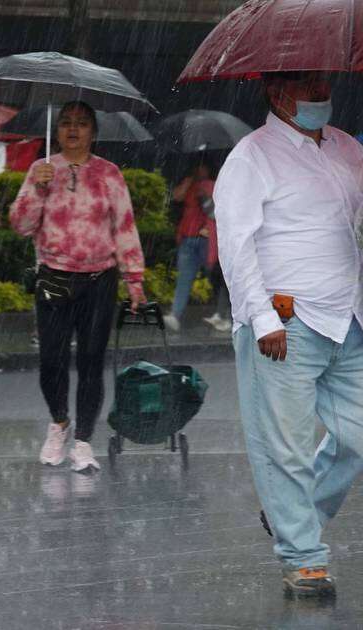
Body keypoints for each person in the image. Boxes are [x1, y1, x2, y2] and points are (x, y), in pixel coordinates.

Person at [216, 71, 363, 598]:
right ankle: (303, 556)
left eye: (325, 85)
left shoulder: (347, 147)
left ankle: (289, 514)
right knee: (286, 449)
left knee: (356, 440)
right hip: (286, 321)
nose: (322, 95)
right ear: (277, 94)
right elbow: (235, 243)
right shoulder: (251, 157)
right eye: (310, 87)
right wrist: (262, 318)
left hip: (349, 317)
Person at [9, 100, 146, 473]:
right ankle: (59, 423)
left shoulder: (109, 174)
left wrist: (134, 280)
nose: (73, 129)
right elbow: (20, 225)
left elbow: (124, 226)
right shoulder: (41, 170)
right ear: (58, 131)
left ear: (93, 132)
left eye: (81, 124)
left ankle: (83, 440)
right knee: (50, 360)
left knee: (90, 361)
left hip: (99, 280)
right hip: (53, 277)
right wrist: (37, 190)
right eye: (66, 123)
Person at [164, 163, 229, 333]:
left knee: (216, 278)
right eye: (196, 167)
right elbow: (177, 196)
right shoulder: (190, 184)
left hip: (206, 241)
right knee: (184, 279)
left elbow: (217, 210)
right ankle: (176, 315)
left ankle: (223, 314)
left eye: (202, 167)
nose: (199, 170)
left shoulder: (212, 185)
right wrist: (189, 181)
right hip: (188, 238)